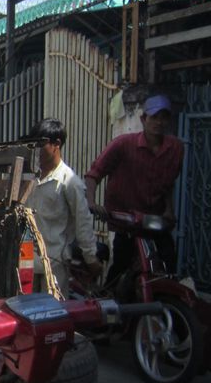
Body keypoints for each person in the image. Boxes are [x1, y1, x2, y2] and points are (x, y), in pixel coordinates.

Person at [84, 93, 184, 285]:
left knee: (168, 264)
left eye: (164, 117)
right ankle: (110, 303)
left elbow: (169, 183)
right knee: (121, 266)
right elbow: (94, 174)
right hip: (126, 220)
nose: (159, 123)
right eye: (154, 117)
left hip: (153, 220)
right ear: (143, 119)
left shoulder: (176, 148)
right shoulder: (123, 144)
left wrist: (169, 210)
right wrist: (91, 202)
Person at [23, 118, 103, 297]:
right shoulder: (28, 177)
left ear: (56, 144)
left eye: (40, 145)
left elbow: (83, 222)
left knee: (51, 317)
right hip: (26, 261)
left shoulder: (69, 182)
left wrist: (91, 258)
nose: (35, 151)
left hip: (54, 264)